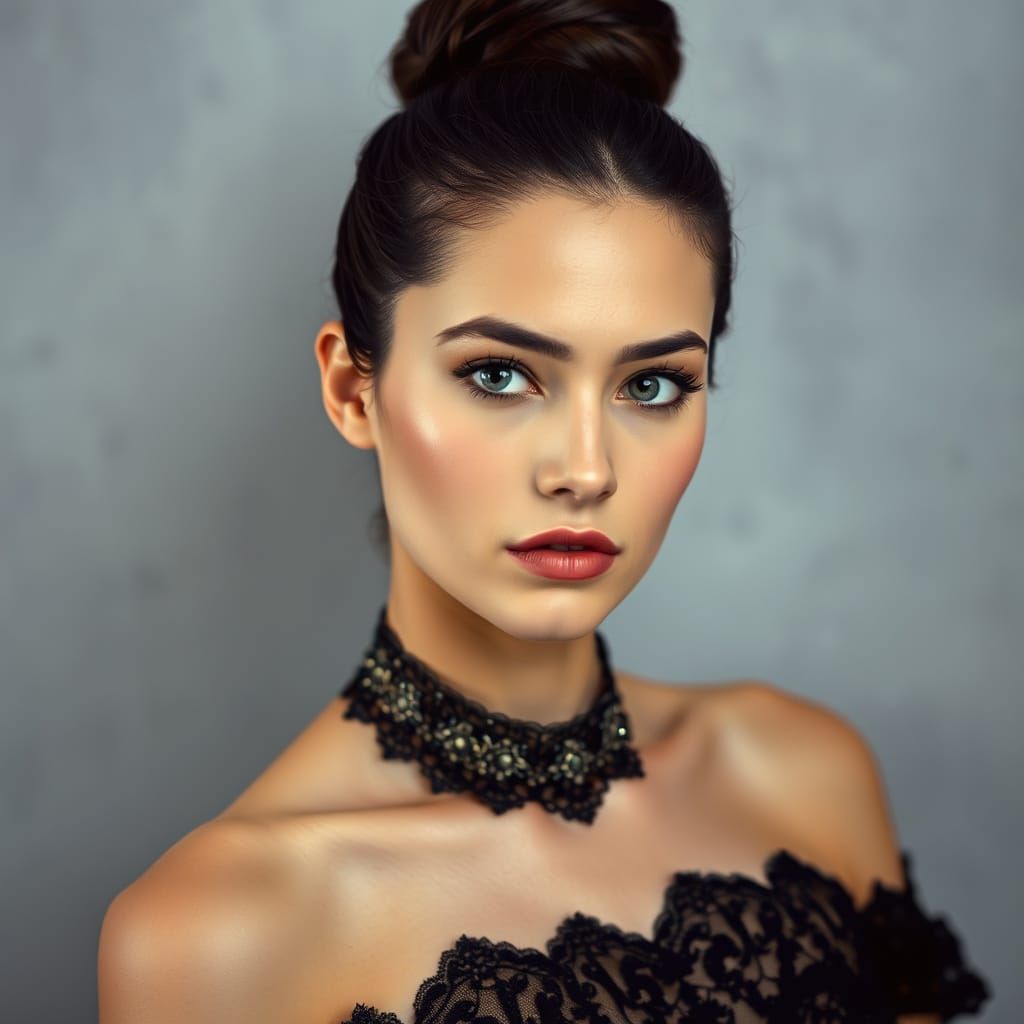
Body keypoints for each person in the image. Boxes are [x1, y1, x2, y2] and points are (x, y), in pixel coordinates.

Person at [97, 2, 992, 1022]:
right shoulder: (221, 930)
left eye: (651, 386)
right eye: (499, 373)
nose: (584, 468)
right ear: (354, 390)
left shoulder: (804, 774)